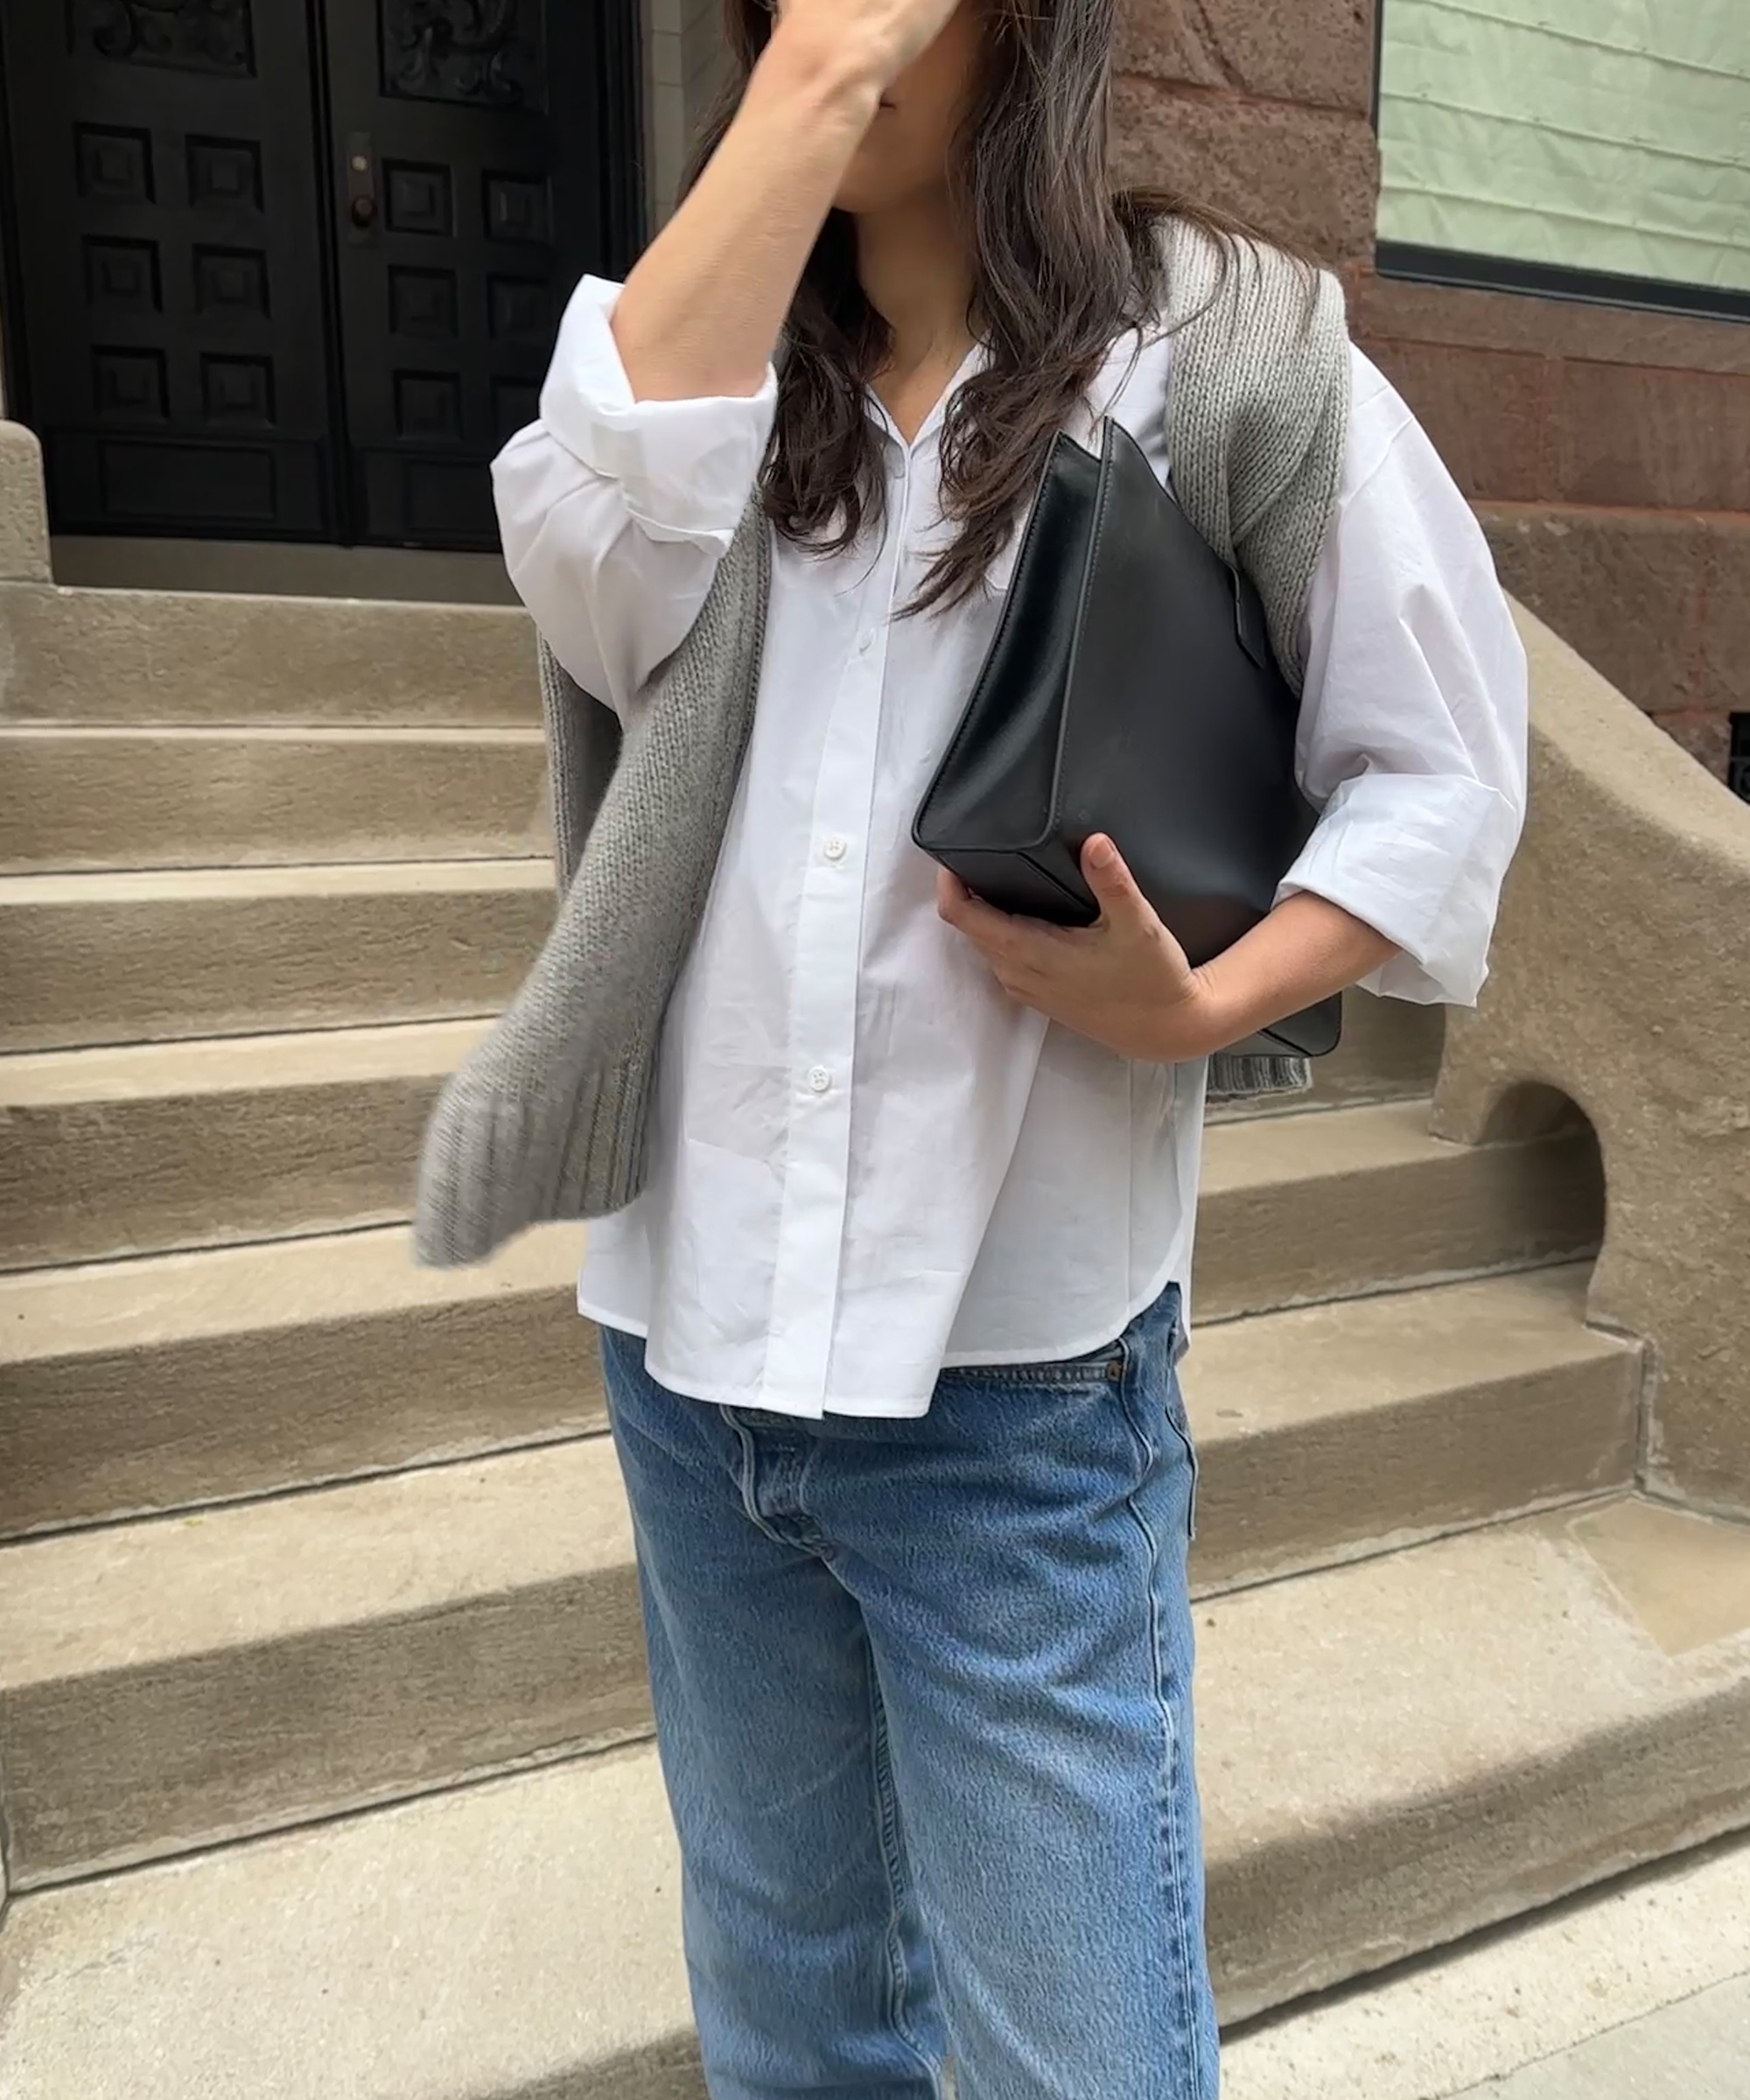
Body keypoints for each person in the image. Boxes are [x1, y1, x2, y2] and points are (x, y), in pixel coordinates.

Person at [471, 2, 1528, 2093]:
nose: (819, 26)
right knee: (786, 2010)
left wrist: (1216, 997)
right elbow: (583, 549)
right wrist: (796, 109)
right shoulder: (710, 386)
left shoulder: (1213, 349)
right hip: (690, 1360)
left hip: (1018, 1387)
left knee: (1079, 2052)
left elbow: (1445, 767)